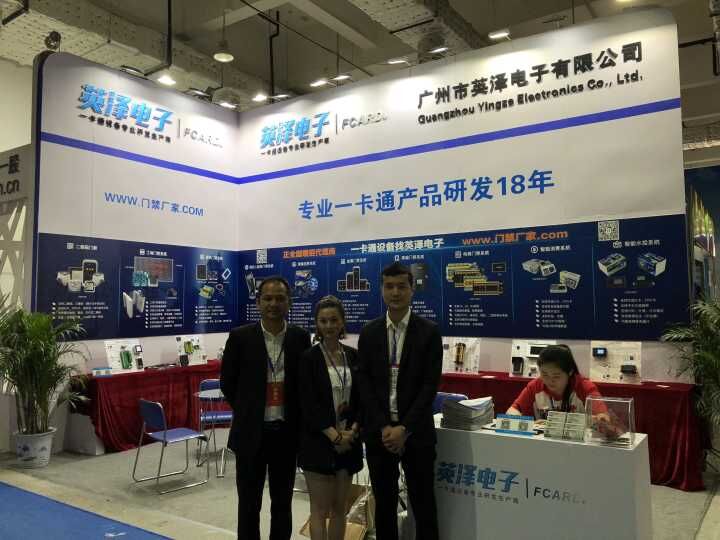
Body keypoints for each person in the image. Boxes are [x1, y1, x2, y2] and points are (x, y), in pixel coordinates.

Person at [220, 276, 311, 540]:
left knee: (282, 503)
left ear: (289, 302)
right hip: (251, 434)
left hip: (286, 434)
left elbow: (304, 384)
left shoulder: (300, 338)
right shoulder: (240, 337)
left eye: (280, 298)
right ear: (258, 302)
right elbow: (228, 382)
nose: (274, 304)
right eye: (268, 298)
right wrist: (248, 410)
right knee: (249, 504)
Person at [356, 262, 442, 540]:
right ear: (382, 289)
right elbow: (364, 384)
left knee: (423, 503)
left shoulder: (429, 332)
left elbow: (429, 386)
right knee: (384, 505)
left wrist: (404, 429)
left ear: (412, 289)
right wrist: (384, 427)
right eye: (389, 286)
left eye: (401, 286)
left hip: (416, 433)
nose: (395, 292)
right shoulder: (369, 332)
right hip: (379, 433)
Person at [298, 295, 363, 540]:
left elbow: (362, 399)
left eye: (334, 320)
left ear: (342, 322)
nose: (329, 325)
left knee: (339, 508)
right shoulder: (308, 358)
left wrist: (352, 432)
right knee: (319, 509)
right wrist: (334, 436)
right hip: (319, 441)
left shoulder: (354, 356)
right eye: (323, 321)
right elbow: (308, 404)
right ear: (317, 323)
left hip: (349, 441)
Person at [506, 345, 604, 419]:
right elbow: (513, 410)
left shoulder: (585, 387)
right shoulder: (535, 386)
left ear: (570, 372)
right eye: (544, 374)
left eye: (556, 376)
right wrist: (518, 419)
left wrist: (600, 420)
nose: (550, 380)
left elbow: (602, 416)